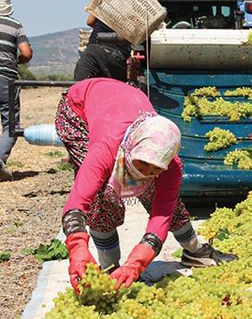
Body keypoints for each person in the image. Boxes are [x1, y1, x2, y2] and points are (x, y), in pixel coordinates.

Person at [55, 78, 237, 293]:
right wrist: (77, 248)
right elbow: (78, 200)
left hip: (123, 103)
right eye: (143, 164)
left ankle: (195, 251)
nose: (146, 173)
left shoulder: (171, 165)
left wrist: (138, 262)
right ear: (133, 149)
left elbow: (163, 210)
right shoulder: (104, 149)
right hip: (79, 109)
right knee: (102, 195)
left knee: (157, 192)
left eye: (156, 169)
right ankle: (109, 268)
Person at [74, 0, 158, 82]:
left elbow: (90, 21)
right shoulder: (144, 12)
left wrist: (108, 25)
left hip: (92, 53)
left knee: (80, 94)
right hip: (115, 59)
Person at [0, 0, 32, 181]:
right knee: (11, 124)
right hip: (6, 77)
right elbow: (26, 52)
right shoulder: (15, 26)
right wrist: (17, 60)